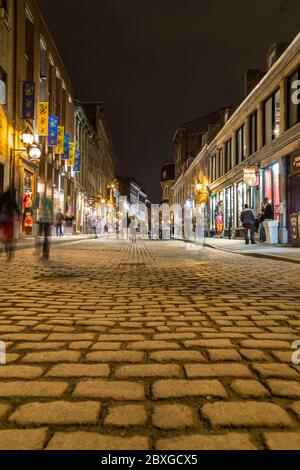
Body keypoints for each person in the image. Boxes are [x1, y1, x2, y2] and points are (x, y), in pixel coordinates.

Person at [0, 188, 19, 261]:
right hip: (9, 220)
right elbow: (16, 208)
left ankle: (7, 250)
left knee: (4, 237)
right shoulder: (11, 199)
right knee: (9, 237)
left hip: (2, 219)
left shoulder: (2, 197)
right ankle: (9, 252)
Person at [37, 194, 53, 259]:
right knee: (45, 238)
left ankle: (45, 253)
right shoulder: (46, 207)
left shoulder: (44, 207)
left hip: (44, 222)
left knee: (44, 238)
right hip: (46, 222)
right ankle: (45, 253)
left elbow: (40, 215)